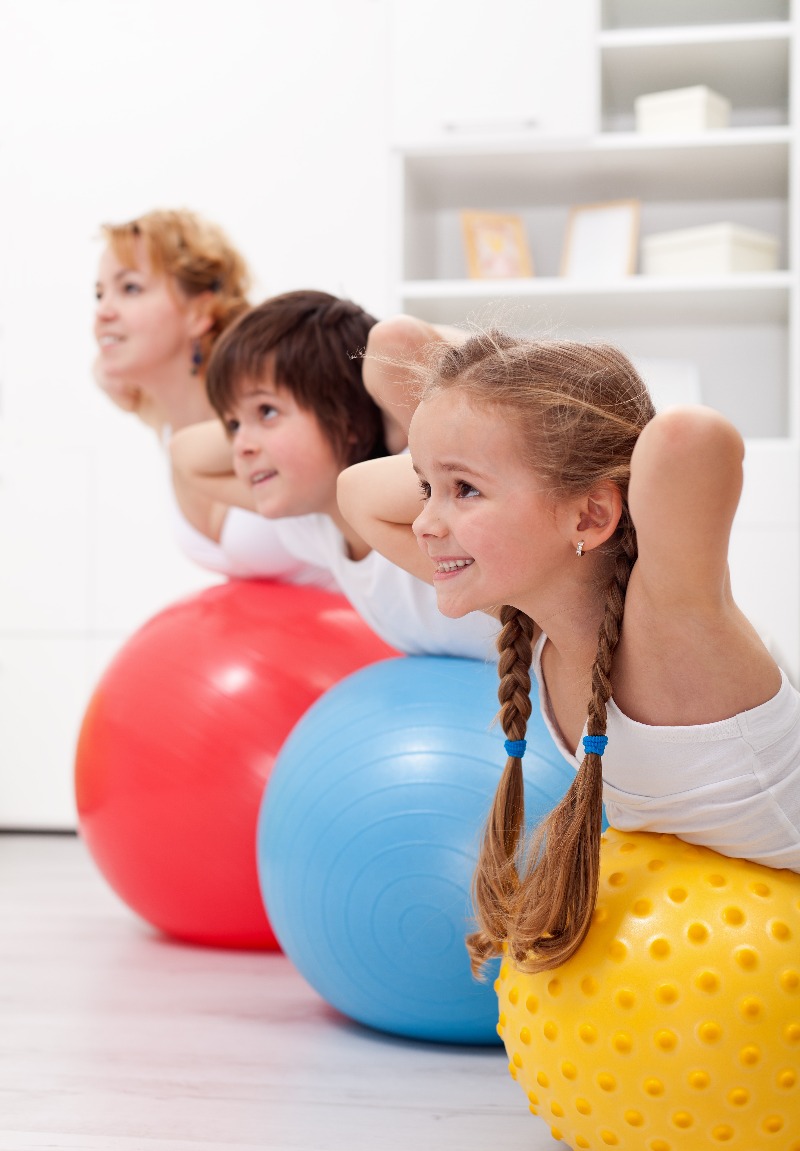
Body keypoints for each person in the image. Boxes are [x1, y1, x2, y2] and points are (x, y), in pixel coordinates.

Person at [337, 328, 800, 977]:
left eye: (465, 490)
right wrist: (469, 434)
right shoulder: (539, 622)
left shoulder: (669, 624)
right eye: (424, 488)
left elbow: (692, 439)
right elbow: (358, 483)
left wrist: (548, 411)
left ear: (589, 518)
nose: (424, 523)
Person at [172, 289, 500, 658]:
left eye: (267, 411)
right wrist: (252, 416)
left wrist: (370, 409)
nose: (240, 447)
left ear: (346, 421)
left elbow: (397, 340)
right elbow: (185, 455)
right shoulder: (321, 526)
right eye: (232, 425)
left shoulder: (432, 490)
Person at [93, 208, 331, 585]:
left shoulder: (277, 405)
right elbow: (108, 379)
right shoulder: (162, 417)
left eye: (130, 288)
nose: (103, 311)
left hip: (369, 632)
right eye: (99, 293)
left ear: (201, 310)